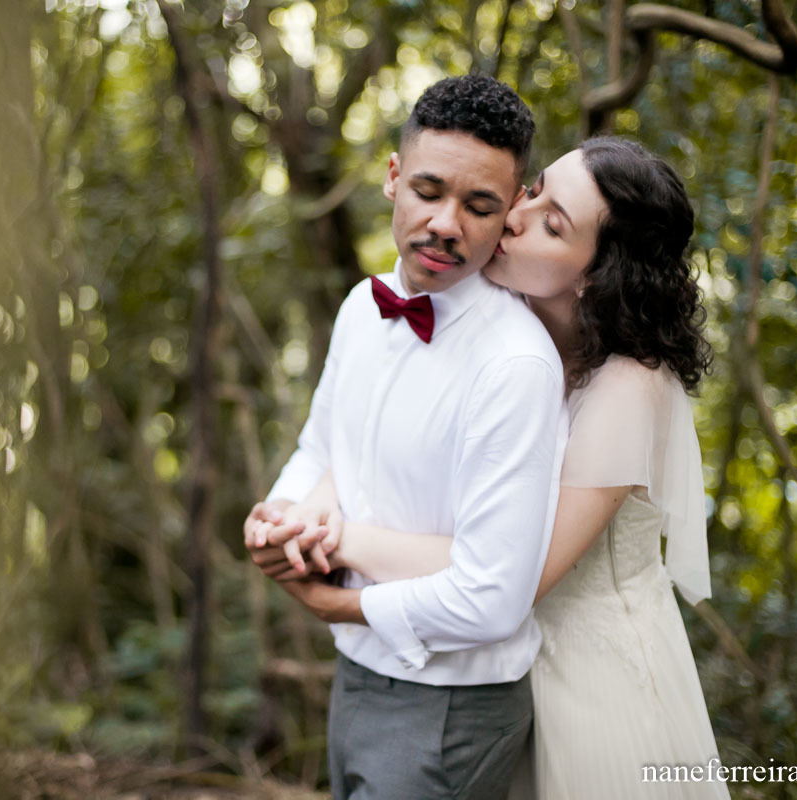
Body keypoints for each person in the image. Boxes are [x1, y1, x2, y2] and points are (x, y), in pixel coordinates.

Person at [255, 137, 729, 799]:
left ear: (596, 272)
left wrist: (340, 545)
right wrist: (305, 506)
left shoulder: (628, 387)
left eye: (552, 222)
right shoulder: (493, 319)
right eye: (533, 189)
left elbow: (520, 575)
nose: (513, 216)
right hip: (493, 667)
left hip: (590, 680)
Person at [243, 74, 567, 799]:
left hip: (448, 701)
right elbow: (320, 448)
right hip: (358, 676)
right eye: (429, 191)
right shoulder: (363, 307)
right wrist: (280, 515)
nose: (447, 224)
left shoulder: (514, 367)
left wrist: (339, 602)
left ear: (512, 211)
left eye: (479, 206)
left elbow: (493, 596)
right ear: (393, 178)